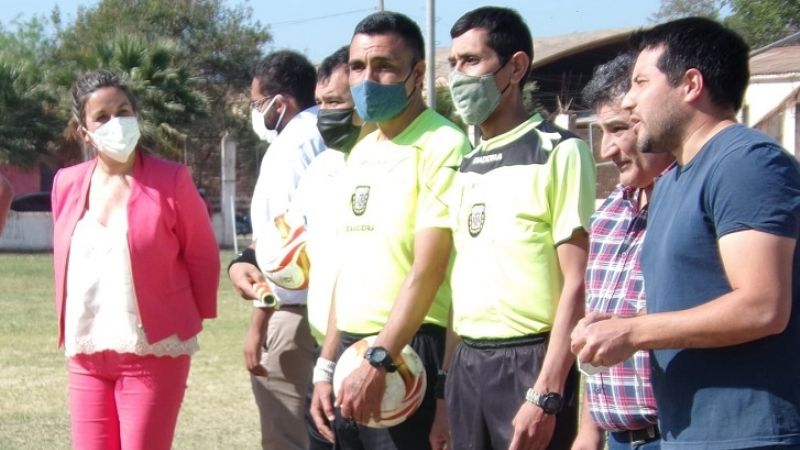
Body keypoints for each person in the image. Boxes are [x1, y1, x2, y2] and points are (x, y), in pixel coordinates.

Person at [571, 17, 800, 449]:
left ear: (691, 84)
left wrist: (633, 333)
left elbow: (763, 307)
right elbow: (697, 298)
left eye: (641, 83)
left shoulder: (746, 162)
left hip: (749, 436)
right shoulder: (675, 179)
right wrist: (625, 324)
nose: (630, 100)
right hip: (689, 434)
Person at [310, 11, 471, 450]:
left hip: (406, 352)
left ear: (416, 74)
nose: (367, 80)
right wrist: (327, 364)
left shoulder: (443, 144)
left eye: (383, 66)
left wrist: (380, 358)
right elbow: (347, 270)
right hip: (352, 351)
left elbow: (428, 270)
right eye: (358, 67)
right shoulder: (362, 149)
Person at [437, 7, 596, 450]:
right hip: (469, 363)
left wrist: (547, 391)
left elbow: (577, 281)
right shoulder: (465, 166)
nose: (459, 76)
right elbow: (460, 286)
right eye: (454, 63)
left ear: (516, 67)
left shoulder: (558, 152)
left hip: (529, 361)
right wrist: (445, 386)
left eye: (472, 60)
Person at [51, 69, 219, 450]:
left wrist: (181, 315)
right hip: (87, 350)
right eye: (102, 117)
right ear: (83, 132)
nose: (116, 123)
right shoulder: (65, 183)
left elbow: (202, 255)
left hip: (152, 350)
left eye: (123, 111)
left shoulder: (172, 179)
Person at [571, 53, 673, 450]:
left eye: (618, 129)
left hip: (675, 435)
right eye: (602, 131)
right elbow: (597, 327)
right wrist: (588, 430)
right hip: (616, 438)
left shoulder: (695, 207)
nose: (606, 150)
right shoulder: (610, 212)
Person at [227, 50, 325, 450]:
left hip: (293, 312)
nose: (256, 114)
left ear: (279, 103)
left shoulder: (290, 147)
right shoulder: (331, 134)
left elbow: (284, 249)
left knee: (286, 435)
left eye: (257, 104)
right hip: (334, 313)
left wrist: (258, 325)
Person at [300, 45, 375, 450]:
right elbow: (289, 234)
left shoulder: (389, 163)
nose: (324, 114)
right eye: (320, 103)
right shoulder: (321, 166)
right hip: (325, 348)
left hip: (374, 348)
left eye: (335, 102)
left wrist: (327, 364)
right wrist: (248, 261)